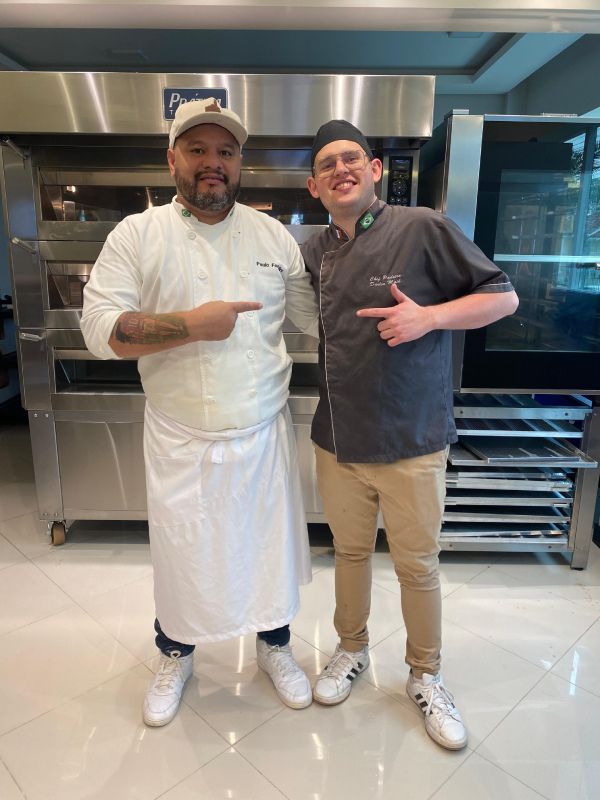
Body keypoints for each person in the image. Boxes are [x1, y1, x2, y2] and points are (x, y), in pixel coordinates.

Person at [81, 97, 320, 726]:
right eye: (198, 150)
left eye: (226, 152)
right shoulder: (137, 234)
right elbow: (99, 329)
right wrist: (190, 325)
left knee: (268, 551)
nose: (213, 163)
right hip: (181, 434)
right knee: (184, 554)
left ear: (240, 164)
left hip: (262, 427)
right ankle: (175, 652)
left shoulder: (274, 237)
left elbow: (312, 322)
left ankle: (276, 649)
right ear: (172, 160)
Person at [301, 119, 519, 751]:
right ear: (315, 187)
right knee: (346, 554)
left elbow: (501, 297)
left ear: (373, 171)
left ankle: (426, 675)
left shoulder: (422, 227)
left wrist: (430, 318)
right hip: (337, 439)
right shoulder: (315, 248)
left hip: (412, 438)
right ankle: (350, 650)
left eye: (352, 159)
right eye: (327, 165)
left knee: (417, 565)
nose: (341, 169)